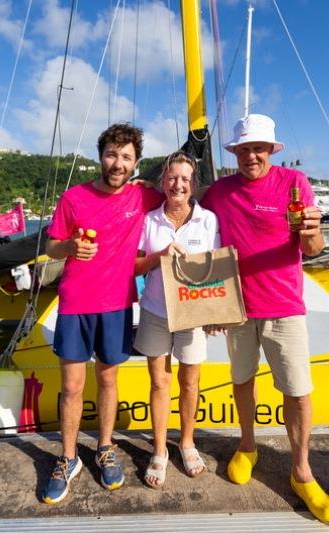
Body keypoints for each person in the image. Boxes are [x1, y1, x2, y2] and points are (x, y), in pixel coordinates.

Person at [201, 114, 329, 523]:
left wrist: (312, 230)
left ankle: (301, 471)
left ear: (271, 150)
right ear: (235, 154)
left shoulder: (294, 184)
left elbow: (313, 248)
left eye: (258, 148)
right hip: (237, 308)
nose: (251, 156)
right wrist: (207, 305)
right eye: (243, 149)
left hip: (283, 305)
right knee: (241, 381)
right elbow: (195, 233)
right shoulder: (219, 192)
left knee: (297, 391)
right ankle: (247, 446)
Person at [43, 123, 162, 504]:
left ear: (136, 163)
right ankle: (68, 457)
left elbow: (181, 199)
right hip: (76, 303)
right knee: (73, 387)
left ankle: (105, 447)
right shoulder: (74, 197)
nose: (118, 162)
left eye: (126, 157)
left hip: (116, 304)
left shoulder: (144, 197)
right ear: (101, 156)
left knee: (108, 381)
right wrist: (71, 247)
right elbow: (51, 247)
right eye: (112, 154)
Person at [133, 151, 220, 488]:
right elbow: (136, 266)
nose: (178, 184)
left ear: (193, 184)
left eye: (185, 179)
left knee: (190, 382)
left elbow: (215, 269)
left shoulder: (208, 221)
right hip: (155, 309)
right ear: (163, 182)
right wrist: (160, 256)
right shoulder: (148, 220)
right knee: (159, 383)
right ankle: (158, 449)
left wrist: (215, 313)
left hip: (193, 313)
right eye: (172, 178)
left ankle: (186, 442)